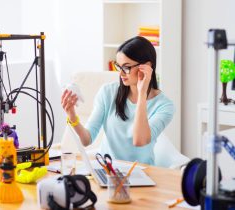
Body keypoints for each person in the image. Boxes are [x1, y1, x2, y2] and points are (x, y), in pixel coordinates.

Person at [61, 36, 174, 165]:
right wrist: (72, 115)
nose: (120, 74)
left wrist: (142, 93)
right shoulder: (107, 92)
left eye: (126, 68)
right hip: (107, 169)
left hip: (141, 173)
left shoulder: (165, 106)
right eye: (118, 67)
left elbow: (139, 140)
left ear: (147, 67)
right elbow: (86, 140)